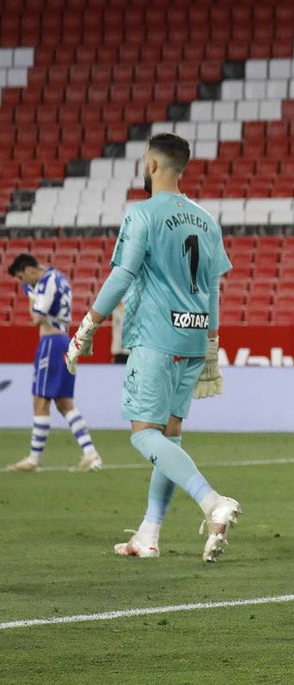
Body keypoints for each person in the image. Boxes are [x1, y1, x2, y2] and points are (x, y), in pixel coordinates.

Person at [63, 132, 240, 562]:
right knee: (169, 439)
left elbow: (122, 276)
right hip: (195, 339)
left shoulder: (142, 214)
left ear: (154, 165)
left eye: (145, 161)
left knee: (144, 436)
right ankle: (149, 533)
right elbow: (214, 287)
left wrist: (88, 325)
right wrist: (212, 340)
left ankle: (211, 499)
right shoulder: (206, 219)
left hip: (156, 339)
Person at [6, 253, 102, 472]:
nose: (22, 283)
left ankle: (34, 457)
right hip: (64, 341)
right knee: (64, 402)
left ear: (30, 270)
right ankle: (91, 453)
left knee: (40, 399)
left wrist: (31, 295)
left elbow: (36, 318)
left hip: (51, 342)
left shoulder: (46, 281)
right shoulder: (59, 279)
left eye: (22, 278)